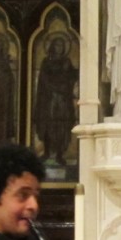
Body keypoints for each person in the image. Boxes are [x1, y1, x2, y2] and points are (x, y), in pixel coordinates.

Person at [33, 32, 78, 163]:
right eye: (57, 45)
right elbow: (44, 80)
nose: (59, 48)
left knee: (61, 127)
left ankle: (59, 154)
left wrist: (73, 74)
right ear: (52, 46)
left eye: (61, 45)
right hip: (49, 99)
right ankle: (47, 152)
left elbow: (72, 77)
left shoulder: (66, 62)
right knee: (48, 125)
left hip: (62, 100)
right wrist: (55, 87)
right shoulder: (46, 62)